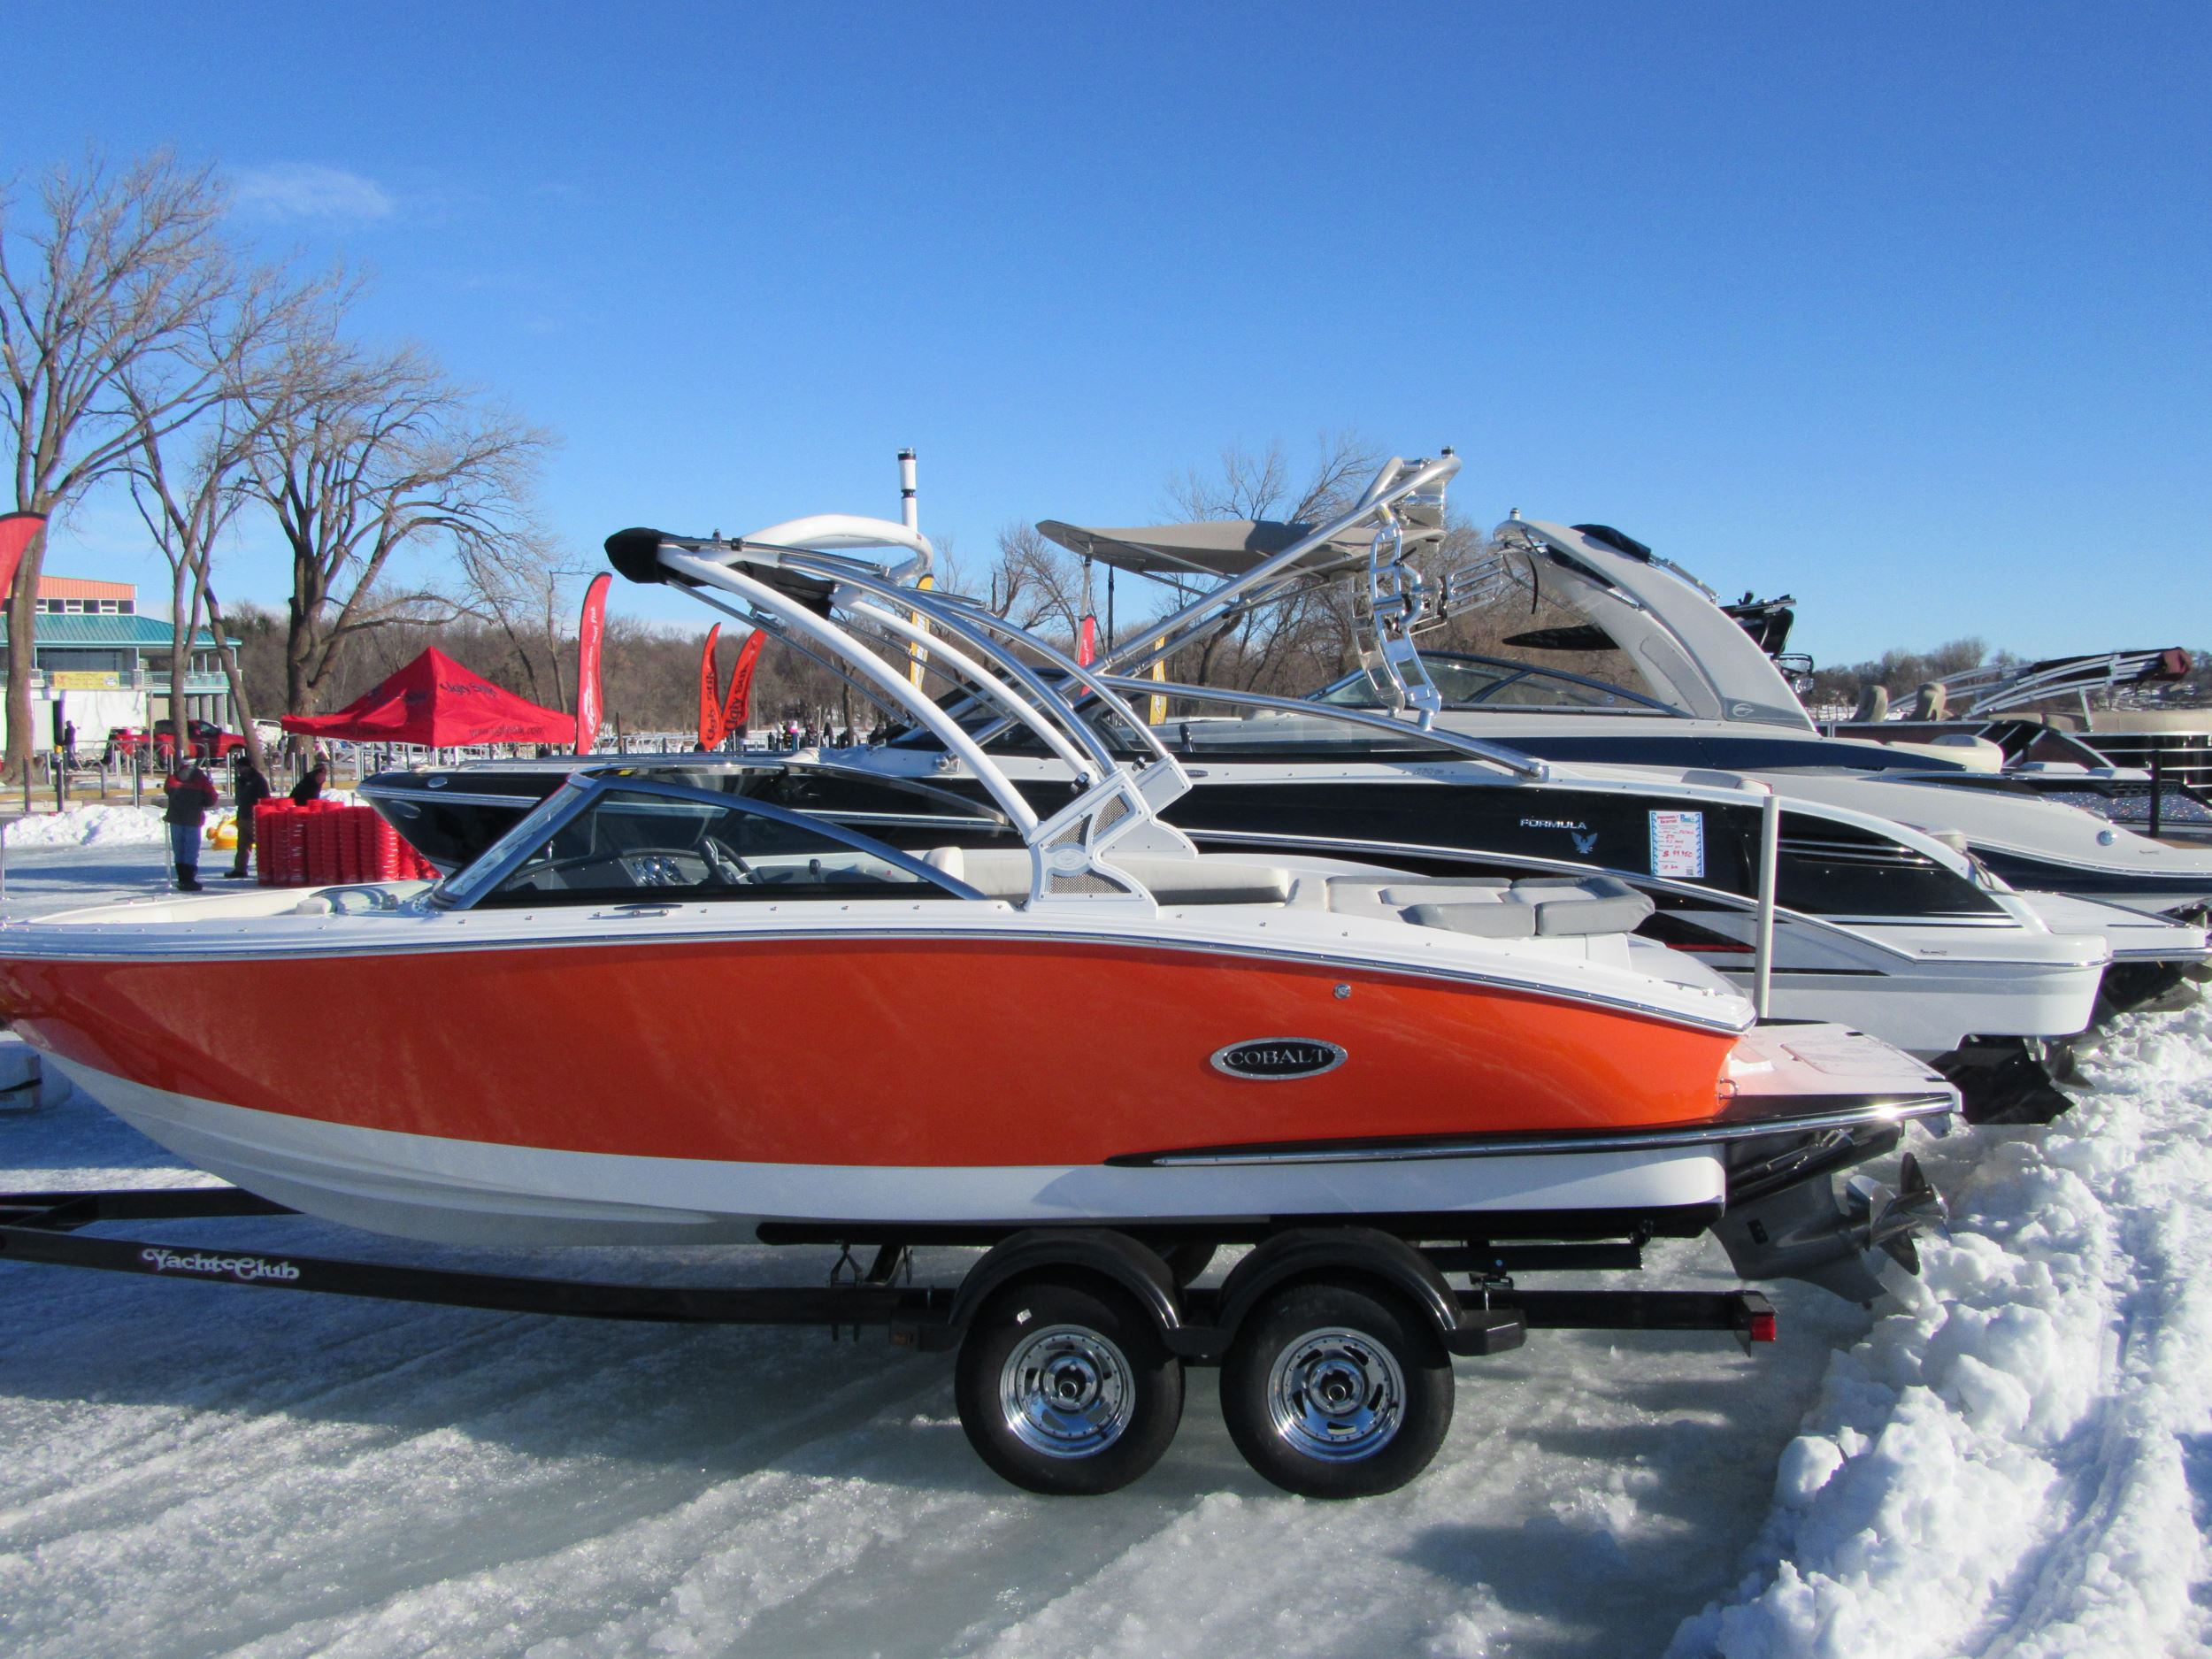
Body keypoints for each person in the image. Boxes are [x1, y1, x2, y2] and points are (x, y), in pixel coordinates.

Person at [162, 760, 219, 892]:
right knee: (191, 850)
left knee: (179, 849)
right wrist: (200, 802)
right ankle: (189, 879)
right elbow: (212, 798)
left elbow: (168, 790)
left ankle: (182, 878)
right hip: (193, 818)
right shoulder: (200, 779)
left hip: (175, 817)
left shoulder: (173, 777)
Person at [227, 751, 272, 879]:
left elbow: (265, 798)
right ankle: (240, 869)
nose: (239, 770)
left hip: (254, 816)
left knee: (260, 844)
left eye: (241, 767)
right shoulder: (241, 780)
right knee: (242, 845)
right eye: (238, 768)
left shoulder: (257, 779)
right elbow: (239, 799)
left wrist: (259, 812)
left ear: (248, 767)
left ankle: (265, 868)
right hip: (243, 815)